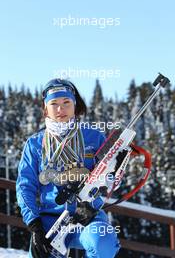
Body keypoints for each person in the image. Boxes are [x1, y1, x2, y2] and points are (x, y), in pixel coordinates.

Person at [16, 78, 120, 258]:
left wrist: (111, 177)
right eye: (54, 103)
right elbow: (25, 186)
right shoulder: (34, 144)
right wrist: (34, 224)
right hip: (50, 219)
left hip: (89, 215)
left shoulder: (93, 137)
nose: (60, 109)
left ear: (75, 105)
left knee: (102, 242)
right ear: (45, 108)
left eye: (66, 102)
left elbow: (113, 179)